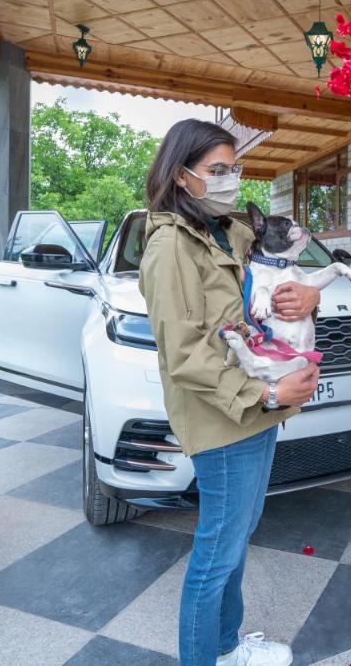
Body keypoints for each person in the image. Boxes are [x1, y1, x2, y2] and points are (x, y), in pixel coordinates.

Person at [139, 119, 321, 666]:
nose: (230, 180)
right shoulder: (171, 245)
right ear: (181, 174)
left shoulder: (229, 230)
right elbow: (184, 353)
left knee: (237, 537)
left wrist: (307, 294)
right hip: (225, 413)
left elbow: (268, 287)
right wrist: (265, 396)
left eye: (233, 168)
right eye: (217, 171)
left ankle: (225, 646)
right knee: (218, 551)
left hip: (258, 406)